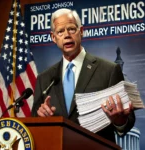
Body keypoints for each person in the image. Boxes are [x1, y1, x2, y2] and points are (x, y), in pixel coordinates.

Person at [31, 8, 135, 143]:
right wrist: (41, 117)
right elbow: (34, 120)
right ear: (53, 37)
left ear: (81, 32)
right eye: (60, 31)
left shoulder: (109, 70)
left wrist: (120, 120)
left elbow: (128, 120)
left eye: (71, 29)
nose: (66, 35)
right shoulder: (44, 78)